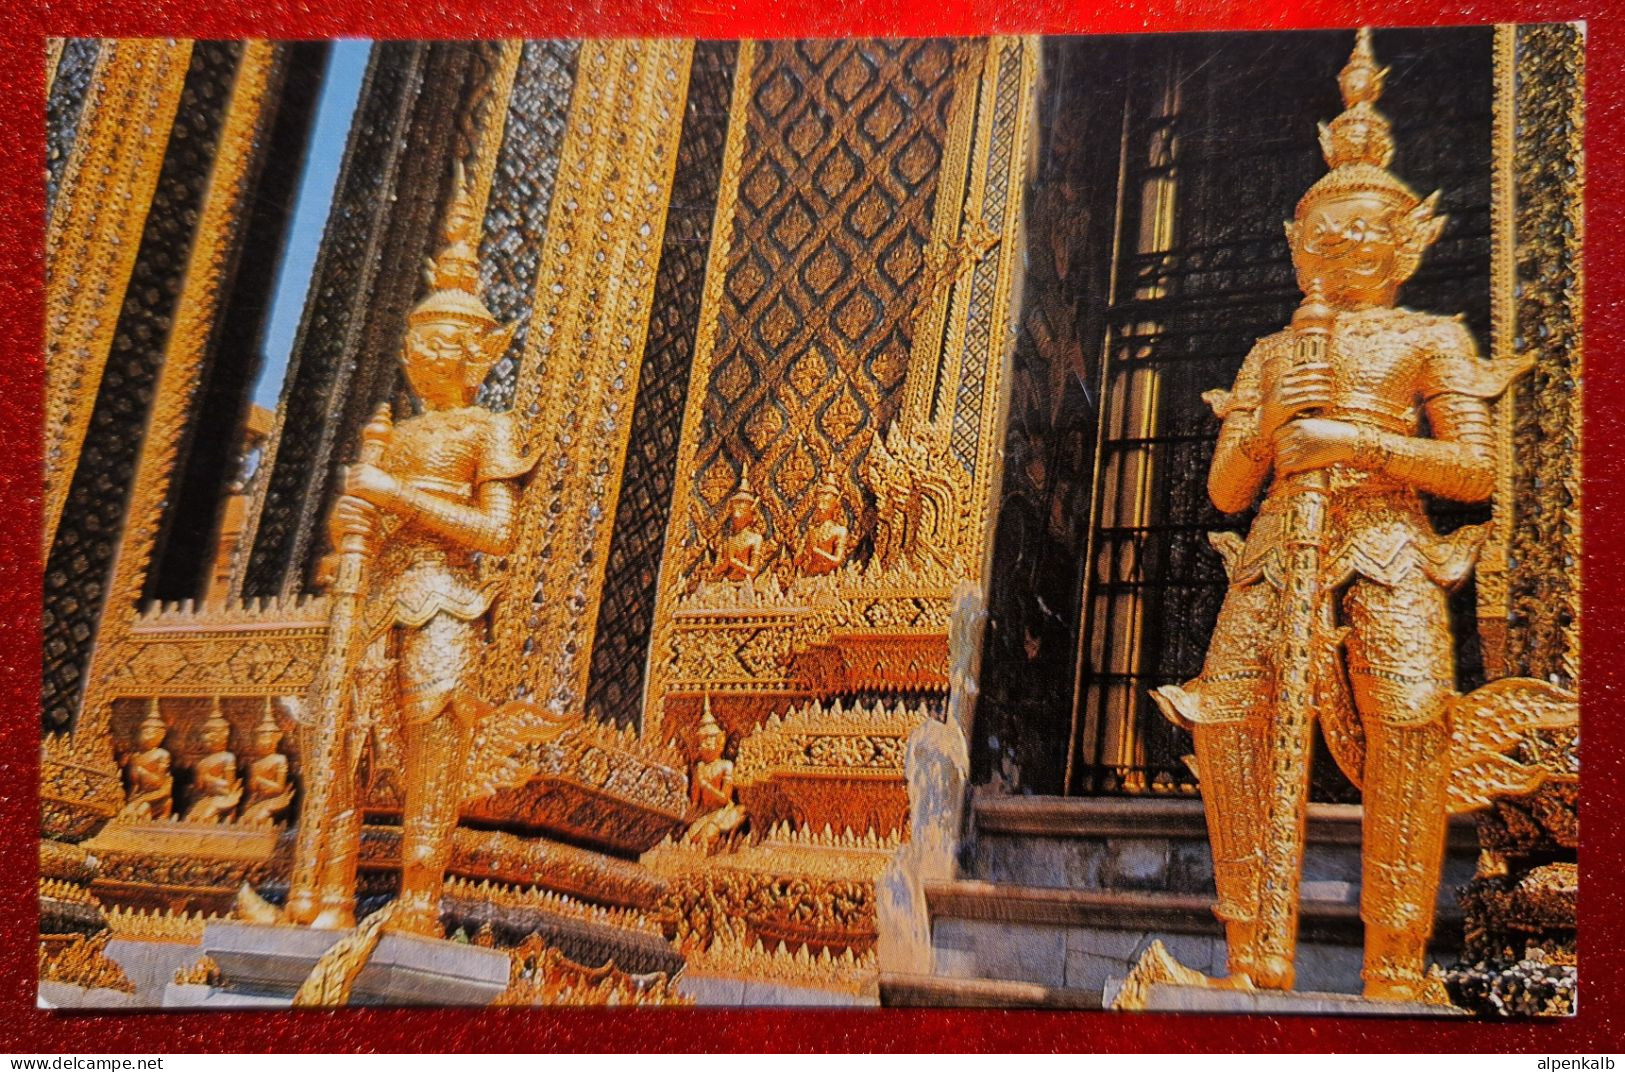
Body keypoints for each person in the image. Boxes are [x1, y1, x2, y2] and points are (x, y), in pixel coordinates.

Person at [1151, 30, 1538, 1002]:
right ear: (1296, 246)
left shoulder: (1427, 339)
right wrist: (1272, 426)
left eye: (1364, 232)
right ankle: (1250, 954)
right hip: (1278, 544)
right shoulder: (1273, 350)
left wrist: (1356, 445)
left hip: (1387, 541)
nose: (1341, 248)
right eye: (1322, 236)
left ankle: (1394, 964)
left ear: (1404, 242)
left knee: (1407, 718)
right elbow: (1226, 493)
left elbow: (1472, 468)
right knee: (1229, 716)